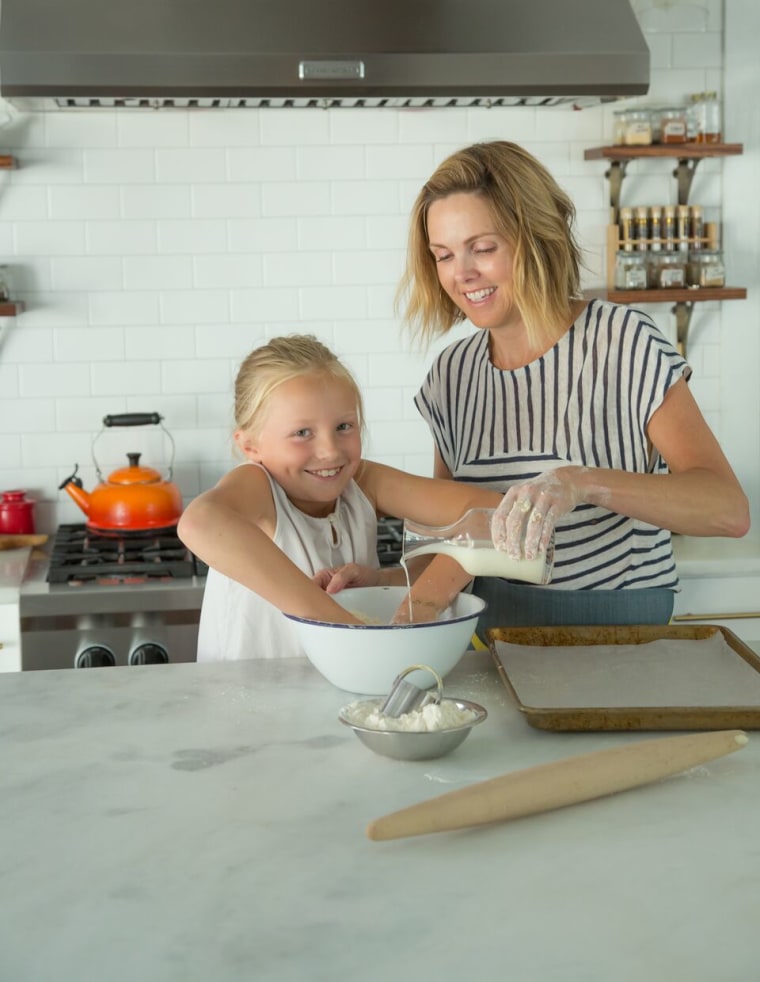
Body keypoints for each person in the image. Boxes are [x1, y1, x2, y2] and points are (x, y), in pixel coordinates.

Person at [395, 139, 750, 631]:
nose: (462, 274)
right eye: (443, 255)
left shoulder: (623, 341)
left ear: (536, 237)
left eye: (483, 248)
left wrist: (582, 482)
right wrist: (375, 581)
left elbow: (727, 511)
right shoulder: (452, 376)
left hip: (621, 639)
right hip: (493, 636)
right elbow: (453, 541)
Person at [176, 333, 503, 661]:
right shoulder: (258, 486)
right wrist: (344, 627)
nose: (330, 451)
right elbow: (198, 524)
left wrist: (398, 589)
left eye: (344, 426)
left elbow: (496, 513)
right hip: (249, 701)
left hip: (339, 698)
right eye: (302, 433)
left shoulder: (363, 482)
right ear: (250, 446)